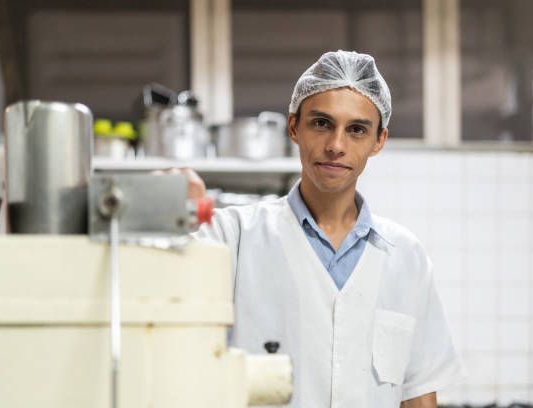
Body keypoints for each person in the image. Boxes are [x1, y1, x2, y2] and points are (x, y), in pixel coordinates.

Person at [191, 50, 464, 408]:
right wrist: (166, 208)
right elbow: (150, 276)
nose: (336, 145)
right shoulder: (233, 235)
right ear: (294, 128)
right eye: (321, 123)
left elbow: (418, 393)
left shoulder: (406, 256)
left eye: (356, 130)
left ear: (378, 141)